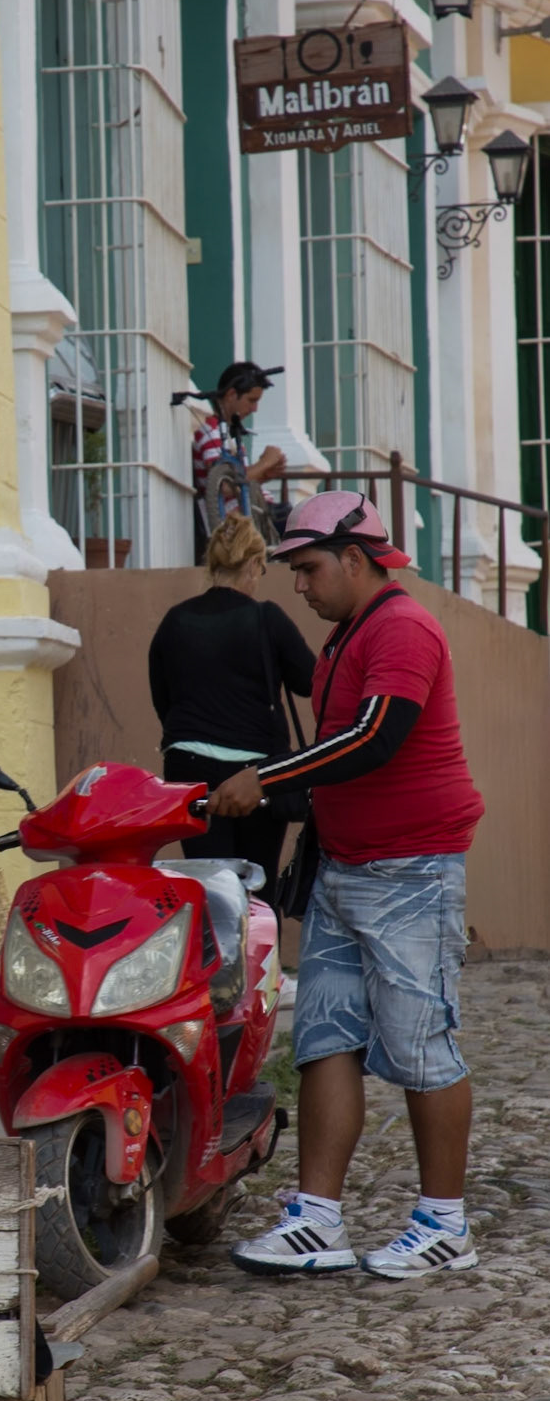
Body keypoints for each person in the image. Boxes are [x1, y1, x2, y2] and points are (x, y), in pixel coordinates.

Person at [206, 491, 484, 1281]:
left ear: (355, 559)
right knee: (326, 1039)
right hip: (346, 867)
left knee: (422, 1044)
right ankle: (316, 1219)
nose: (298, 585)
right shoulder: (348, 634)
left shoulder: (402, 628)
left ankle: (445, 1225)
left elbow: (373, 737)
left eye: (308, 568)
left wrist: (264, 778)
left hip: (410, 870)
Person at [148, 512, 315, 888]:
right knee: (255, 886)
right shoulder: (267, 618)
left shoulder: (175, 620)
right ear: (254, 565)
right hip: (256, 773)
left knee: (210, 886)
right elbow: (309, 681)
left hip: (189, 768)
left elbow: (163, 699)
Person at [179, 361, 287, 550]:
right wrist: (264, 463)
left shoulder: (229, 435)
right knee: (299, 522)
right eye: (251, 400)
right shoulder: (210, 432)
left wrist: (263, 475)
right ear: (231, 395)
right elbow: (225, 487)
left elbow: (239, 481)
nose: (254, 409)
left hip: (251, 512)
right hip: (235, 520)